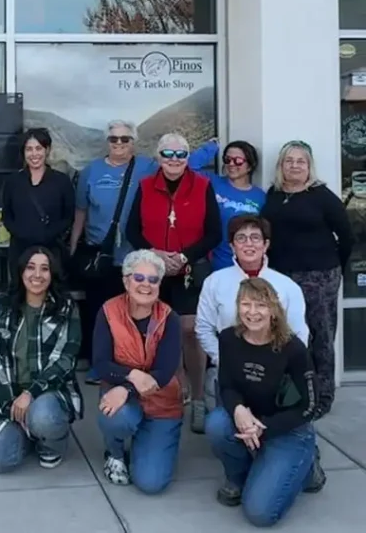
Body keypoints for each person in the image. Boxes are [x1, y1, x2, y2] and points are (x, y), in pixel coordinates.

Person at [70, 121, 215, 383]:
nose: (119, 144)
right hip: (120, 259)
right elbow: (91, 214)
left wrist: (212, 148)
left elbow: (181, 163)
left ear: (133, 143)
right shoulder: (104, 174)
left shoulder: (162, 172)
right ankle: (110, 368)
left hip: (163, 263)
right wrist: (73, 248)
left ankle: (184, 390)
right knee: (111, 314)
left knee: (166, 323)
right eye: (114, 139)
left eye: (125, 139)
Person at [205, 277, 326, 527]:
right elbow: (226, 385)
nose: (252, 312)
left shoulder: (293, 349)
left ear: (273, 310)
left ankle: (307, 466)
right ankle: (238, 479)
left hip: (287, 430)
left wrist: (264, 426)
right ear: (238, 307)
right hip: (248, 422)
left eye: (260, 305)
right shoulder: (228, 339)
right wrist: (238, 410)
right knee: (217, 423)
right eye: (246, 304)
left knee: (260, 514)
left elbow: (311, 406)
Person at [125, 132, 221, 434]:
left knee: (191, 332)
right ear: (159, 157)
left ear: (189, 158)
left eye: (181, 155)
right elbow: (132, 231)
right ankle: (176, 393)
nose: (174, 160)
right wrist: (152, 253)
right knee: (164, 333)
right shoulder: (144, 186)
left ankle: (197, 398)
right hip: (154, 271)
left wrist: (183, 256)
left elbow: (214, 233)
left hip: (190, 268)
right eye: (168, 154)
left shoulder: (203, 185)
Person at [261, 140, 352, 418]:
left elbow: (347, 236)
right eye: (289, 161)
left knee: (320, 334)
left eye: (301, 161)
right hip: (280, 275)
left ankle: (323, 395)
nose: (295, 166)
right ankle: (292, 390)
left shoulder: (321, 196)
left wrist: (336, 267)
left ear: (309, 166)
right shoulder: (274, 194)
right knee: (284, 334)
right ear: (281, 165)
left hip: (318, 275)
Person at [0, 246, 83, 474]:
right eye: (30, 267)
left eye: (44, 269)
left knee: (43, 416)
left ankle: (52, 444)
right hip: (12, 393)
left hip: (49, 392)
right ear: (20, 272)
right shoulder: (2, 308)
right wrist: (10, 402)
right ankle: (28, 432)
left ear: (52, 274)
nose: (37, 275)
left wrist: (30, 394)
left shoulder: (66, 308)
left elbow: (64, 361)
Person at [93, 250, 183, 494]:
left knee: (150, 483)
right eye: (138, 278)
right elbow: (100, 363)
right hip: (124, 402)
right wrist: (131, 377)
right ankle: (115, 453)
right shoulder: (108, 311)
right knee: (117, 416)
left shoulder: (170, 318)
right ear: (126, 280)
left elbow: (164, 372)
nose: (146, 285)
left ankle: (148, 440)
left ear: (160, 285)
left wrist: (126, 387)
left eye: (153, 280)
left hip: (162, 405)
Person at [196, 215, 309, 405]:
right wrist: (222, 360)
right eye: (241, 238)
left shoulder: (287, 286)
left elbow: (299, 332)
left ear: (265, 245)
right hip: (230, 372)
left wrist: (283, 366)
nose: (249, 244)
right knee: (220, 427)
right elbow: (203, 328)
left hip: (275, 371)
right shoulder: (215, 282)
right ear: (232, 246)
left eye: (255, 237)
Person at [1, 127, 74, 281]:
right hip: (20, 251)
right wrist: (23, 235)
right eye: (29, 149)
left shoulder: (61, 181)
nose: (34, 154)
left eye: (38, 148)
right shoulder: (13, 182)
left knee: (52, 293)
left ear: (47, 150)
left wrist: (46, 236)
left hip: (51, 250)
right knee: (19, 293)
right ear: (23, 152)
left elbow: (68, 217)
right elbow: (7, 216)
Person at [202, 140, 266, 272]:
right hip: (216, 263)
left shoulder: (260, 196)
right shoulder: (213, 183)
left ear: (250, 165)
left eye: (238, 161)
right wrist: (211, 147)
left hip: (247, 264)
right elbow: (189, 167)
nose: (231, 164)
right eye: (227, 159)